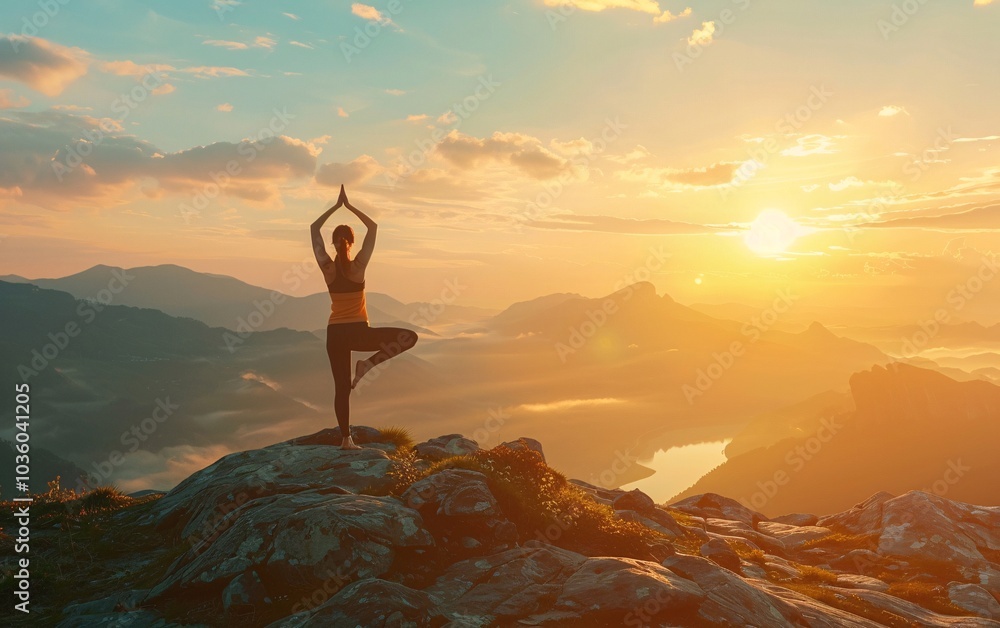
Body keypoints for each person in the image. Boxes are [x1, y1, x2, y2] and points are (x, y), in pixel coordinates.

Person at [311, 185, 418, 450]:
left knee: (341, 388)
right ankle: (368, 364)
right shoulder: (359, 266)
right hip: (359, 331)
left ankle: (346, 439)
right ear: (351, 242)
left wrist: (335, 208)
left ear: (333, 243)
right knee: (409, 337)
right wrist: (350, 207)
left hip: (335, 334)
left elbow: (313, 229)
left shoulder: (327, 267)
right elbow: (373, 228)